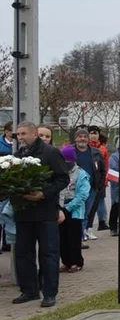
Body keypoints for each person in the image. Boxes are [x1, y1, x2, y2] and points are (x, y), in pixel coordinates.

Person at [10, 122, 69, 308]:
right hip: (24, 213)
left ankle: (50, 293)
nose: (20, 137)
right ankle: (29, 290)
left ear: (35, 134)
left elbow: (63, 178)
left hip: (45, 213)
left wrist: (43, 193)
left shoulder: (50, 153)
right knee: (23, 253)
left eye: (23, 133)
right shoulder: (17, 156)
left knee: (48, 254)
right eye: (18, 134)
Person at [58, 145, 91, 273]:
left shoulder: (81, 174)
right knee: (62, 238)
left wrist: (69, 207)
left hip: (74, 210)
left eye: (68, 161)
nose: (66, 164)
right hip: (60, 208)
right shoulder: (60, 172)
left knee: (73, 238)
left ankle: (76, 262)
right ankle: (65, 261)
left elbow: (83, 194)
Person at [72, 129, 106, 243]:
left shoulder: (96, 152)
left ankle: (82, 234)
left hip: (91, 189)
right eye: (80, 136)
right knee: (76, 212)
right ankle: (76, 235)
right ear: (76, 138)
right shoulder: (70, 151)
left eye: (85, 136)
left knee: (86, 213)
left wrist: (99, 185)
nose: (82, 139)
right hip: (74, 189)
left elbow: (102, 170)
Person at [88, 126, 111, 232]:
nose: (93, 135)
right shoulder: (85, 148)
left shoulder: (102, 149)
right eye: (91, 133)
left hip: (100, 180)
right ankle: (87, 226)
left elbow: (106, 165)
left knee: (100, 201)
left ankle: (102, 221)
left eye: (95, 133)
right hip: (88, 180)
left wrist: (105, 179)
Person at [108, 137, 120, 237]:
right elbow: (114, 169)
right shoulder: (114, 157)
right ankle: (113, 227)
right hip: (117, 185)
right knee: (116, 206)